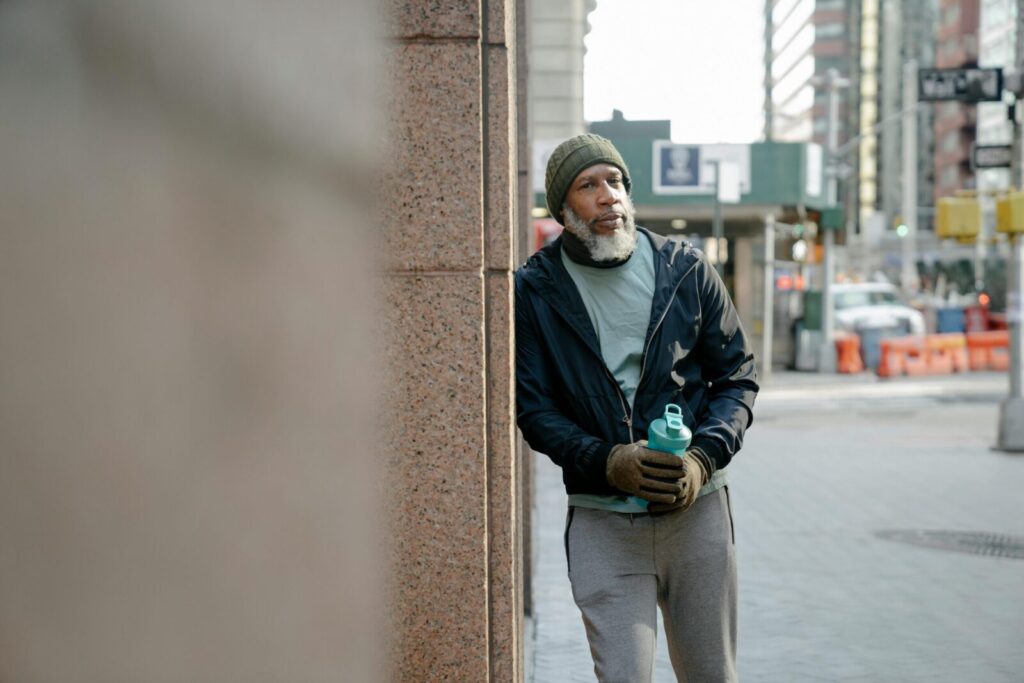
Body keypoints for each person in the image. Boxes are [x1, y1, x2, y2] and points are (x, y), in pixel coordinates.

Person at [515, 134, 758, 682]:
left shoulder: (687, 271)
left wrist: (702, 459)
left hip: (696, 519)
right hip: (603, 522)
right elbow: (534, 409)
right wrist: (608, 461)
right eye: (588, 185)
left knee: (711, 675)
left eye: (616, 182)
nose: (608, 196)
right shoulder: (534, 291)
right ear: (562, 209)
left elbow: (738, 377)